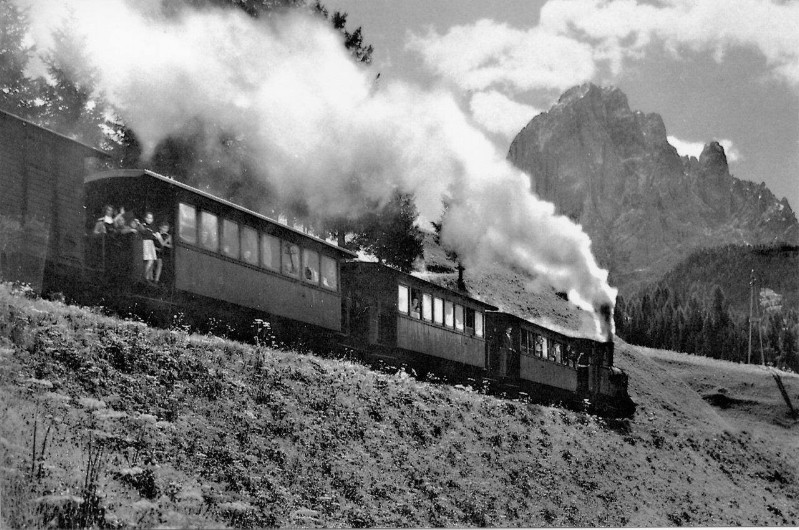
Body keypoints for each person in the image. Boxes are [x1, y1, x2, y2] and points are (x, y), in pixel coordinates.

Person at [140, 212, 157, 281]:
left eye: (151, 218)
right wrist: (153, 235)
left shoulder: (152, 227)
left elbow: (154, 235)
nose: (149, 219)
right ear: (145, 218)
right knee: (148, 260)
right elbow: (146, 233)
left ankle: (147, 276)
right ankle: (144, 276)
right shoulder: (143, 225)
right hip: (146, 243)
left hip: (151, 243)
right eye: (148, 218)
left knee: (151, 261)